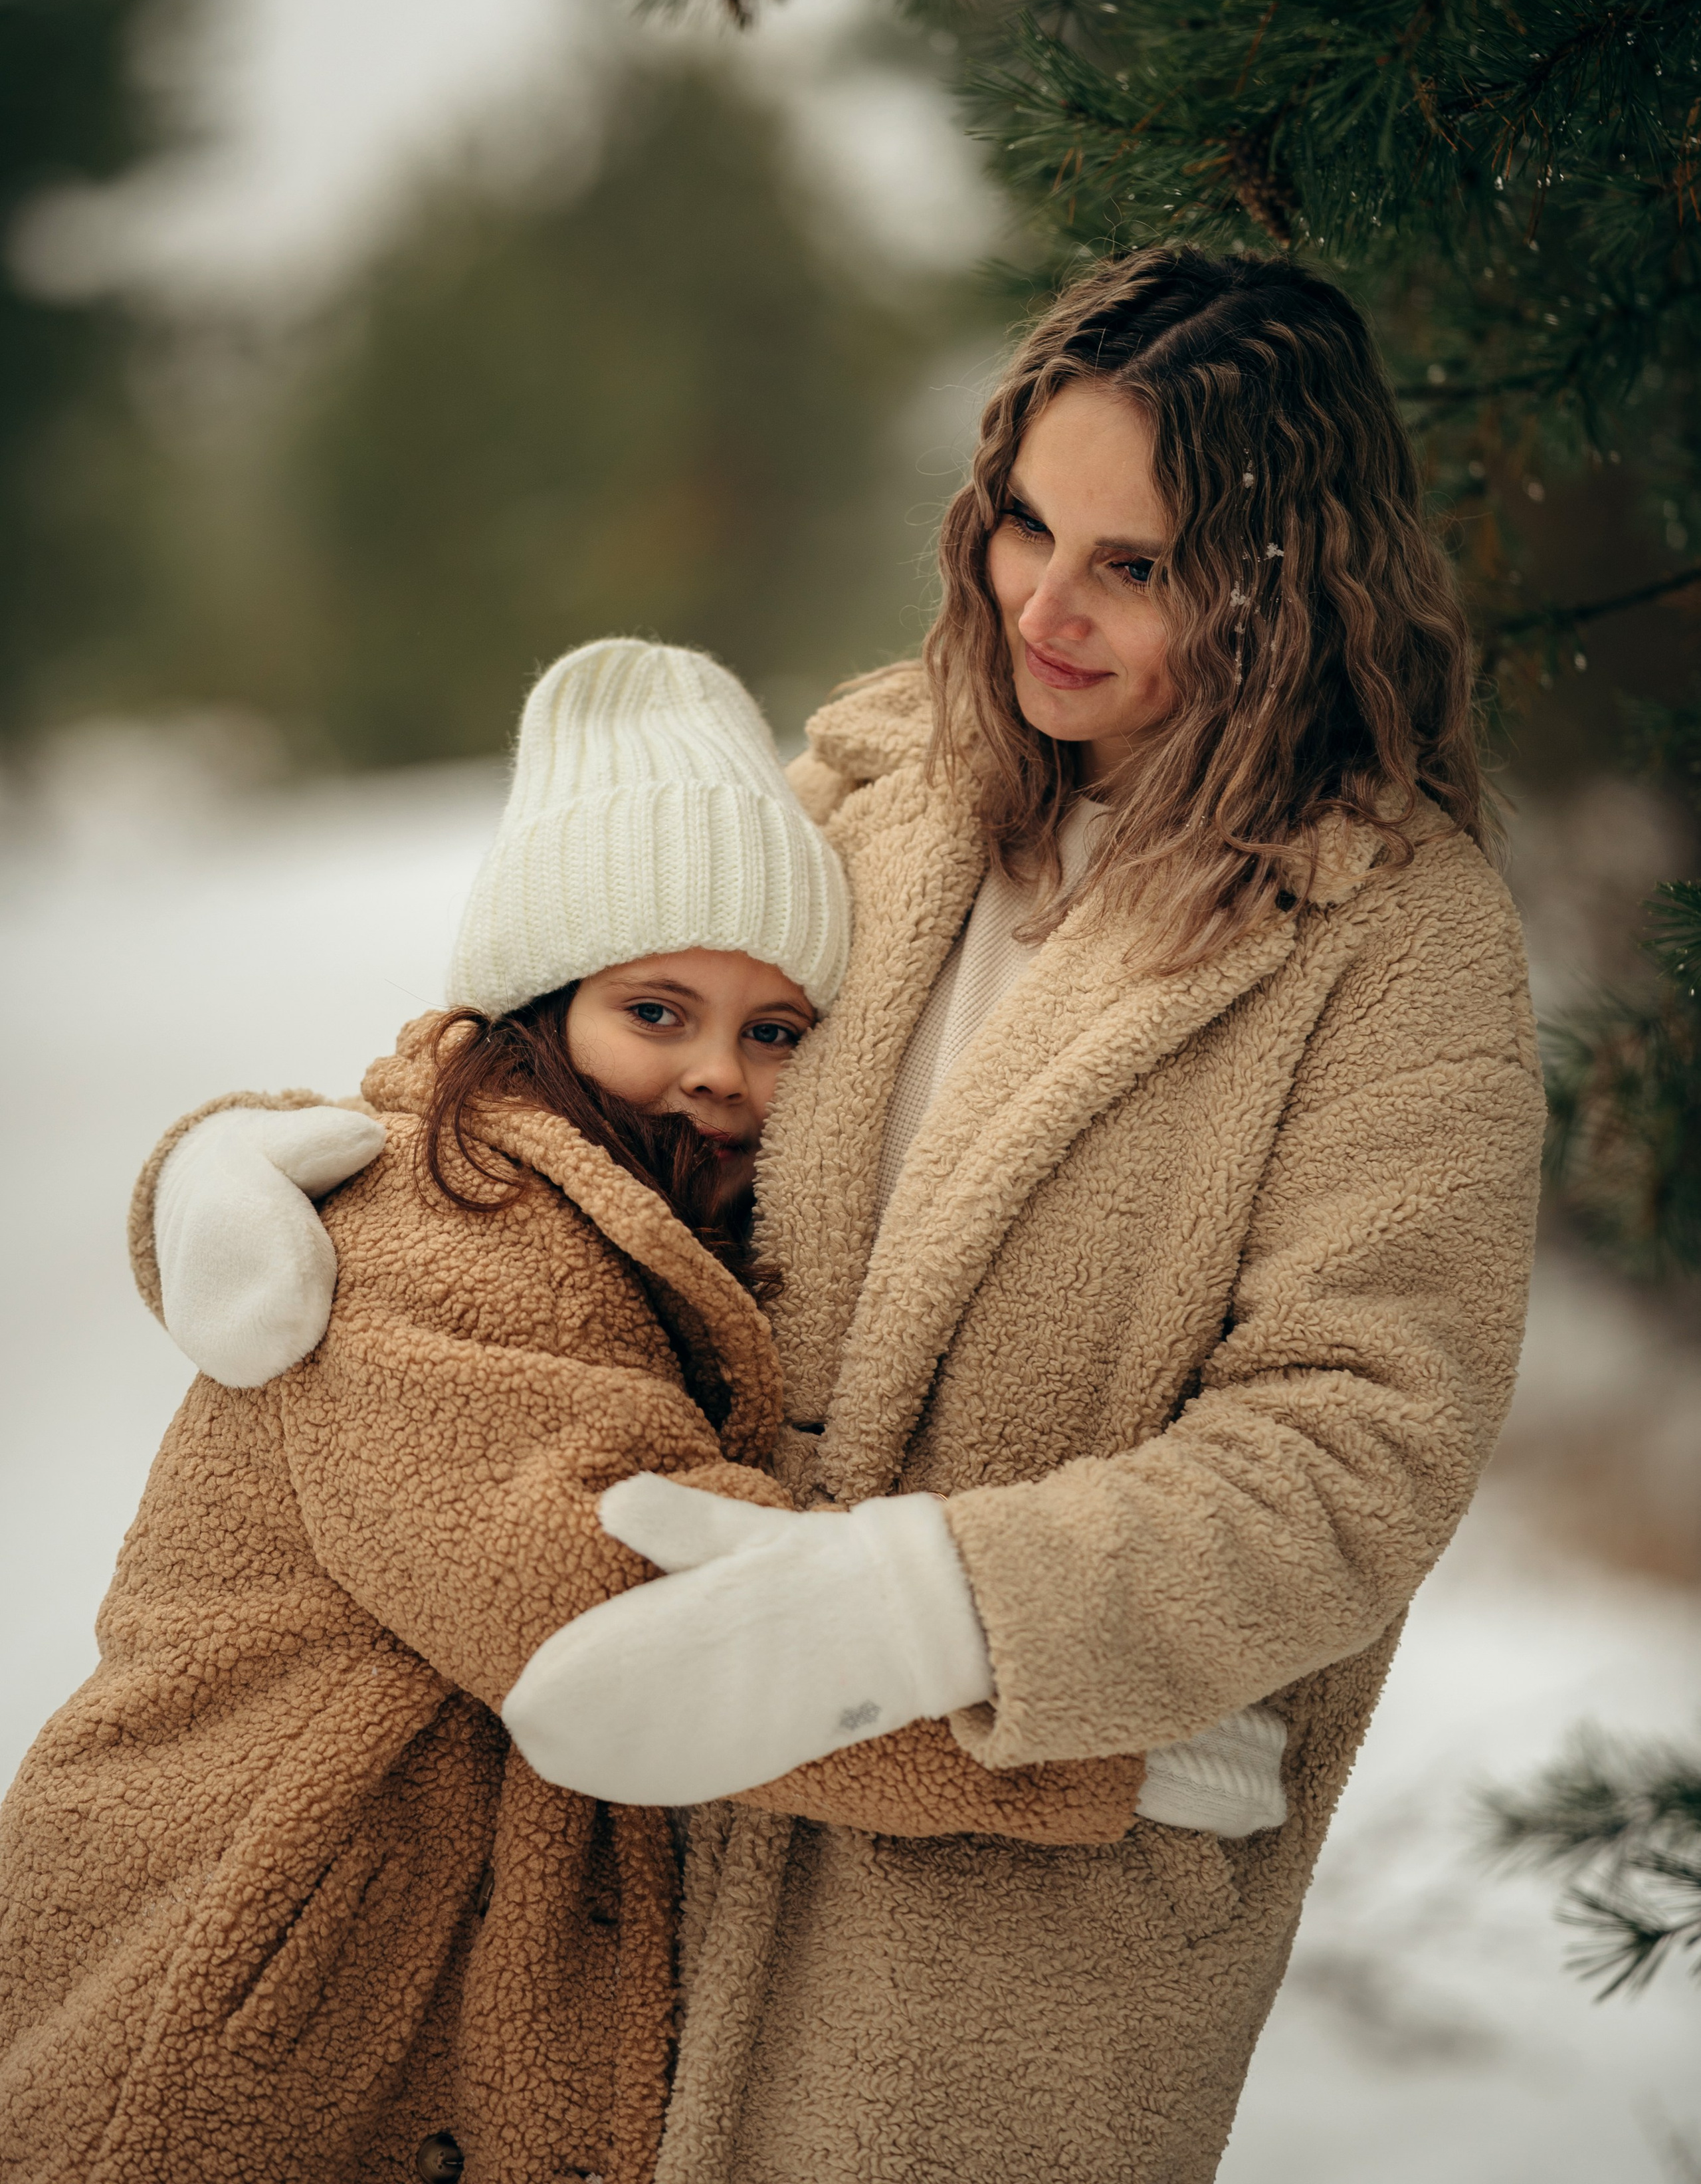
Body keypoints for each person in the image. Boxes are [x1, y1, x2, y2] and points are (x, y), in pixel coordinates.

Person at [114, 246, 1546, 2184]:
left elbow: (1361, 1451)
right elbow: (587, 1034)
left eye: (1134, 562)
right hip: (643, 1848)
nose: (1046, 602)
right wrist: (271, 1152)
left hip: (1009, 1930)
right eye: (1030, 522)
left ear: (1287, 580)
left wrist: (935, 1606)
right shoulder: (887, 788)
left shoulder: (1399, 948)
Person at [0, 635, 1274, 2184]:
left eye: (775, 1028)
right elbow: (618, 1612)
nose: (720, 1075)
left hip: (368, 1964)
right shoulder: (445, 1222)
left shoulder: (642, 1228)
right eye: (656, 1010)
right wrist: (1081, 1729)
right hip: (229, 1964)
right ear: (535, 1006)